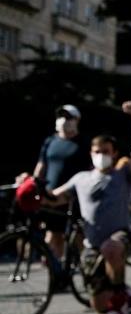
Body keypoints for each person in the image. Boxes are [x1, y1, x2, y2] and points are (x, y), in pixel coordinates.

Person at [47, 101, 131, 314]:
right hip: (92, 244)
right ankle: (129, 296)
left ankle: (121, 300)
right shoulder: (81, 178)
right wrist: (31, 189)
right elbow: (55, 198)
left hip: (119, 237)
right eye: (97, 151)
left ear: (113, 154)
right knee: (99, 305)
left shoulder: (123, 175)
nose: (100, 155)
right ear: (91, 153)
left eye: (105, 152)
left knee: (111, 248)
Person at [31, 103, 91, 260]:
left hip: (74, 197)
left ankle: (88, 268)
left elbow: (91, 170)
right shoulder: (50, 141)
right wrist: (35, 185)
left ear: (77, 120)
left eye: (68, 117)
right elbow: (41, 166)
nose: (64, 120)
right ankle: (55, 273)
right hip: (51, 196)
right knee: (52, 236)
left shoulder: (84, 143)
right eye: (61, 117)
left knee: (77, 236)